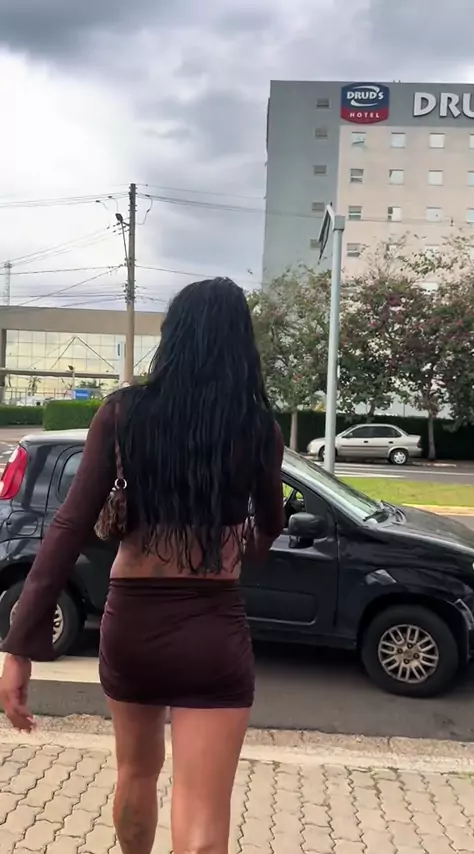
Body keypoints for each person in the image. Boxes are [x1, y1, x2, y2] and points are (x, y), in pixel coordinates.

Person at [0, 277, 284, 854]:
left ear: (173, 337)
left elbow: (69, 526)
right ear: (241, 344)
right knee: (202, 820)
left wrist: (20, 644)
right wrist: (241, 544)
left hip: (133, 625)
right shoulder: (258, 429)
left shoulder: (123, 413)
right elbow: (270, 525)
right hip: (213, 628)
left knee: (135, 774)